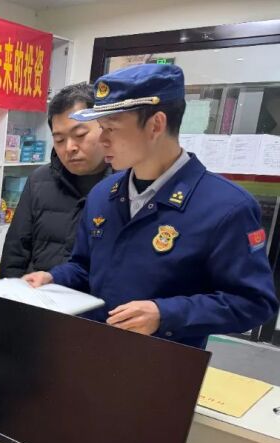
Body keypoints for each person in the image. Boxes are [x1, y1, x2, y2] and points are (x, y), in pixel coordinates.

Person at [24, 64, 279, 349]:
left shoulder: (226, 207)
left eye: (111, 129)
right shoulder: (103, 195)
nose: (102, 139)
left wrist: (165, 314)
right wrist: (53, 277)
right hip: (94, 348)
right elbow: (85, 267)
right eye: (101, 128)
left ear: (156, 125)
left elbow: (254, 303)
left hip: (162, 361)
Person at [0, 83, 110, 279]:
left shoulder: (126, 186)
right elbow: (15, 253)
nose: (69, 147)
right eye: (59, 140)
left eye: (80, 135)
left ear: (105, 127)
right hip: (37, 294)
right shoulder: (39, 181)